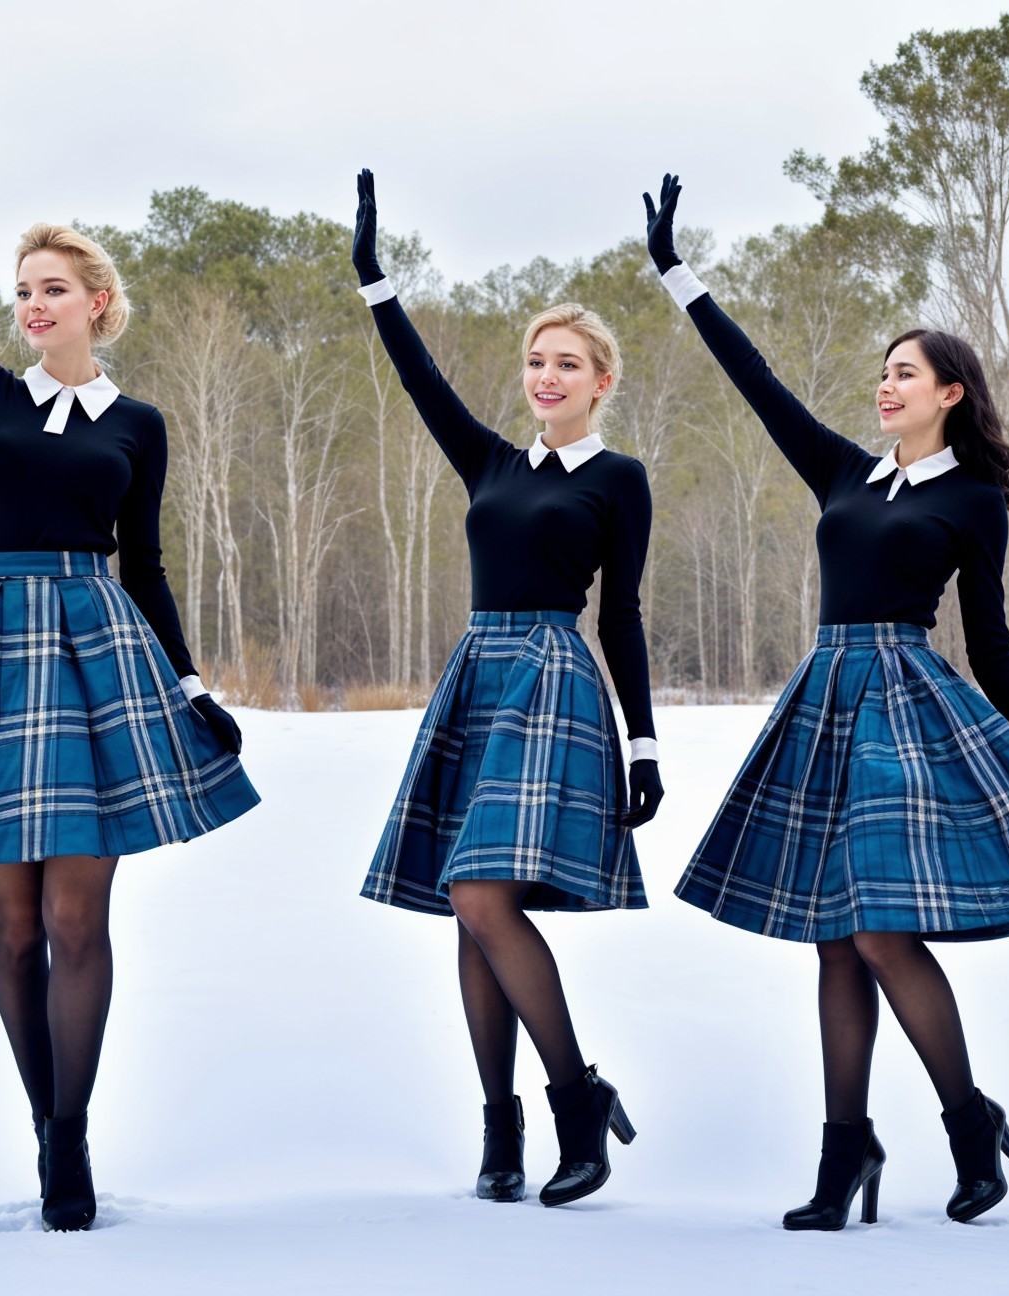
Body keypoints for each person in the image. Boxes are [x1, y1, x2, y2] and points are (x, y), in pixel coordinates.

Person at [643, 176, 1009, 1230]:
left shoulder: (972, 499)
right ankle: (847, 1156)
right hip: (824, 699)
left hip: (907, 708)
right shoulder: (843, 473)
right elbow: (757, 381)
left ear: (950, 393)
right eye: (881, 375)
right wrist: (679, 275)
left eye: (904, 376)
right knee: (837, 936)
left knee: (875, 929)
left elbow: (995, 642)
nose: (885, 388)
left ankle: (968, 1123)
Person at [0, 58, 259, 1232]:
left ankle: (71, 1143)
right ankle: (42, 1123)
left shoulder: (140, 425)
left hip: (95, 659)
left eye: (52, 289)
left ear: (98, 304)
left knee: (81, 922)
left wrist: (189, 683)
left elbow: (151, 566)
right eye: (22, 289)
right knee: (13, 928)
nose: (31, 304)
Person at [352, 171, 661, 1207]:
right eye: (535, 360)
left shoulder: (619, 481)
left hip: (555, 680)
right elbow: (418, 378)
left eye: (566, 363)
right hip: (478, 674)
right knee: (466, 907)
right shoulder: (489, 461)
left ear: (600, 381)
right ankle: (501, 1131)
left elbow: (620, 615)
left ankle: (577, 1101)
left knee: (485, 893)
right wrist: (375, 283)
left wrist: (646, 745)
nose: (546, 375)